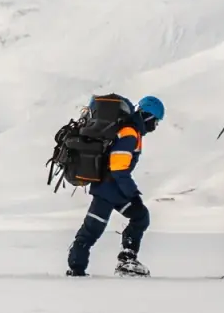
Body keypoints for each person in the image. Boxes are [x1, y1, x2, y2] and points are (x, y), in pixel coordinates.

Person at [66, 95, 165, 277]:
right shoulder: (129, 133)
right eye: (156, 121)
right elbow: (118, 168)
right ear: (148, 116)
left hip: (113, 189)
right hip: (109, 190)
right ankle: (77, 269)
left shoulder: (132, 131)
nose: (155, 125)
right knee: (92, 230)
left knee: (140, 217)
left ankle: (126, 260)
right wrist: (132, 193)